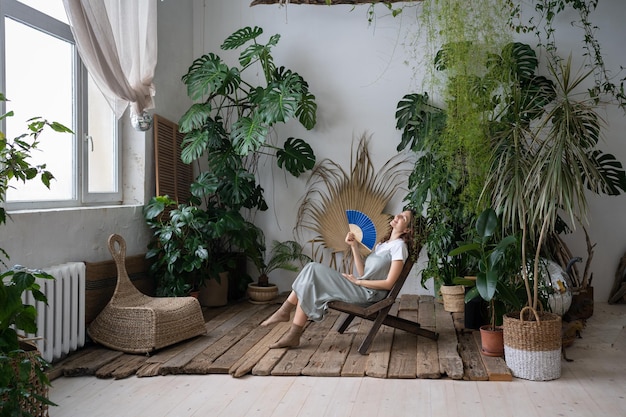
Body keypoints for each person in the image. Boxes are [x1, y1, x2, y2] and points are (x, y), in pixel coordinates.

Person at [261, 209, 415, 349]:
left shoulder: (399, 247)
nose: (398, 216)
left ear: (407, 229)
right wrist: (354, 246)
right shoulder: (383, 245)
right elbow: (363, 273)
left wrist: (358, 282)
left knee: (313, 268)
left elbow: (388, 284)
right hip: (361, 287)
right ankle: (292, 334)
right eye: (399, 213)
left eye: (404, 218)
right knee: (310, 276)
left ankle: (285, 312)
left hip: (369, 294)